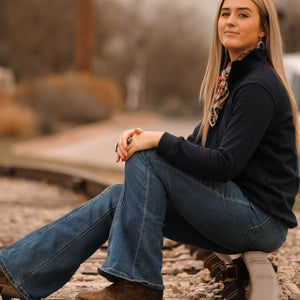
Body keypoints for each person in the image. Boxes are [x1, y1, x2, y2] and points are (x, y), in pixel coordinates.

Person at [0, 0, 299, 299]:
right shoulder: (232, 79)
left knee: (148, 157)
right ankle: (14, 270)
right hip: (237, 209)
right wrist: (145, 136)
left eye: (242, 15)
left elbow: (224, 165)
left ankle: (137, 284)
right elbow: (197, 148)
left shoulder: (256, 86)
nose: (230, 21)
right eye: (225, 13)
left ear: (263, 29)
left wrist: (157, 141)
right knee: (119, 197)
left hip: (258, 219)